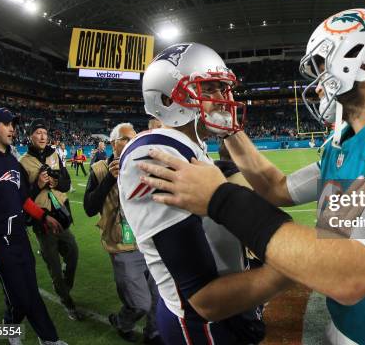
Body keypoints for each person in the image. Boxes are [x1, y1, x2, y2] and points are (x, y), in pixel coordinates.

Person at [136, 10, 365, 345]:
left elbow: (353, 275)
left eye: (321, 69)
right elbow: (276, 187)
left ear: (355, 58)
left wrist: (221, 199)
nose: (318, 85)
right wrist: (228, 129)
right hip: (343, 320)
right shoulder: (340, 146)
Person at [119, 43, 292, 344]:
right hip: (201, 327)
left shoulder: (189, 148)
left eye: (224, 90)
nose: (225, 101)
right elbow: (204, 299)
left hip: (223, 316)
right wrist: (297, 268)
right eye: (210, 89)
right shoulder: (154, 155)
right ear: (170, 97)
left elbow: (274, 187)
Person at [0, 108, 67, 345]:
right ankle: (8, 326)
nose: (12, 129)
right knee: (20, 299)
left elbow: (24, 200)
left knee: (31, 292)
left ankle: (49, 339)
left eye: (14, 125)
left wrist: (43, 217)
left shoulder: (12, 161)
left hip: (20, 239)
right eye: (7, 124)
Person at [83, 123, 161, 344]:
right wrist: (109, 178)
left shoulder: (142, 166)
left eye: (133, 139)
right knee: (140, 303)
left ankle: (153, 334)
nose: (130, 143)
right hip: (122, 245)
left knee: (158, 297)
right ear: (112, 143)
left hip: (149, 241)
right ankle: (122, 321)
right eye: (125, 139)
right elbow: (89, 208)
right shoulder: (99, 169)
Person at [19, 119, 82, 321]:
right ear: (30, 136)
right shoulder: (23, 162)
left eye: (45, 132)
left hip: (60, 215)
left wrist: (55, 181)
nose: (43, 136)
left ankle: (65, 287)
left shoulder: (54, 154)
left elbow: (66, 183)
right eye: (38, 132)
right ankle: (67, 301)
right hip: (42, 220)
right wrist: (37, 184)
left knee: (73, 252)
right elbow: (21, 198)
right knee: (54, 267)